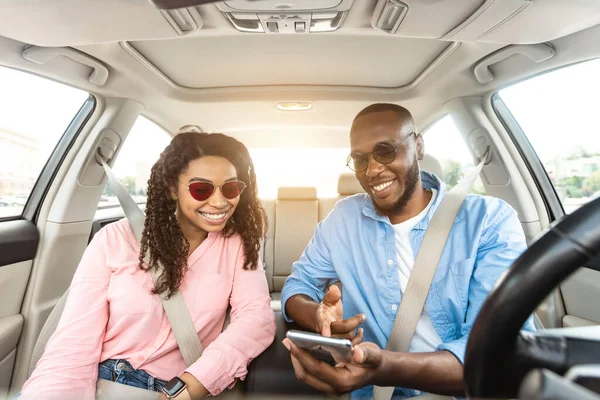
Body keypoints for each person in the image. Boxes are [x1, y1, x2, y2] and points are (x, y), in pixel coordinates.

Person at [281, 103, 535, 399]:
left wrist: (385, 366)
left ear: (418, 146)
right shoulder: (342, 221)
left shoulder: (488, 221)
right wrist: (319, 317)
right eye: (360, 159)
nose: (373, 169)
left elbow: (494, 351)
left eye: (386, 151)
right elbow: (297, 286)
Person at [21, 132, 276, 400]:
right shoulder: (114, 240)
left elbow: (255, 319)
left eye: (230, 188)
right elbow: (74, 345)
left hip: (175, 389)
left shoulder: (237, 245)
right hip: (102, 382)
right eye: (201, 189)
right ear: (171, 188)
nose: (220, 202)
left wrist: (191, 386)